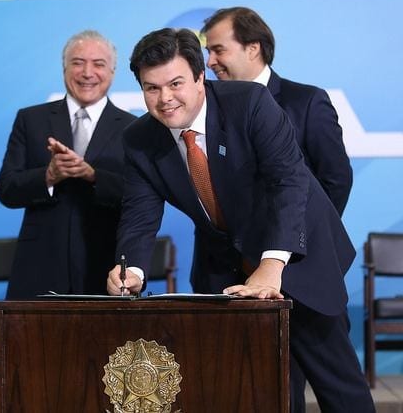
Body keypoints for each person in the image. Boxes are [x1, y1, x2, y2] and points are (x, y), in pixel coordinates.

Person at [106, 28, 374, 413]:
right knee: (243, 387)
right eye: (151, 88)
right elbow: (139, 215)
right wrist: (131, 270)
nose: (165, 99)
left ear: (200, 77)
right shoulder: (139, 139)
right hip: (225, 270)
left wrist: (270, 266)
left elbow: (289, 181)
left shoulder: (249, 102)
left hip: (297, 256)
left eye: (176, 83)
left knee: (338, 387)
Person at [0, 30, 136, 299]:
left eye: (98, 64)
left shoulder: (133, 128)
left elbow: (138, 196)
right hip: (39, 264)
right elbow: (6, 188)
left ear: (113, 71)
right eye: (78, 62)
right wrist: (48, 176)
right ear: (64, 68)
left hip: (104, 265)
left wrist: (93, 176)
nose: (87, 72)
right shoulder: (30, 119)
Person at [201, 6, 352, 216]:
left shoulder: (307, 102)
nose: (210, 62)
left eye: (219, 50)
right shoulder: (209, 107)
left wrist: (304, 239)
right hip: (225, 246)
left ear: (253, 48)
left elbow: (337, 178)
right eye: (209, 52)